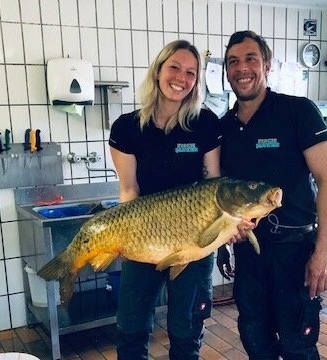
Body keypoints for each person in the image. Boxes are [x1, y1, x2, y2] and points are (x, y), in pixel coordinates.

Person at [217, 30, 327, 360]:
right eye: (233, 62)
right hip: (250, 255)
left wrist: (323, 252)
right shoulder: (224, 127)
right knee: (255, 340)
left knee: (297, 346)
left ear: (267, 65)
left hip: (295, 252)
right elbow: (220, 195)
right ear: (226, 70)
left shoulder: (297, 112)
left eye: (250, 59)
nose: (242, 68)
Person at [108, 39, 221, 360]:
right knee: (131, 330)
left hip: (195, 243)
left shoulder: (205, 124)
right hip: (145, 240)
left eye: (191, 72)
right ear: (158, 71)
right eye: (174, 67)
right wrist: (121, 235)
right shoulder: (127, 128)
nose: (181, 78)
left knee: (187, 332)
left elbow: (214, 182)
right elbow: (129, 191)